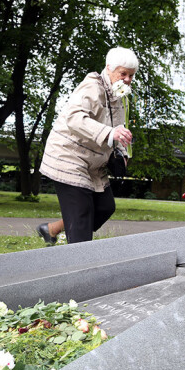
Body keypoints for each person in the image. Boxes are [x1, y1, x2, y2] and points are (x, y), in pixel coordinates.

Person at [38, 47, 136, 244]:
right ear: (109, 68)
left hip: (93, 160)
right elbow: (74, 119)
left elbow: (118, 128)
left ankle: (52, 229)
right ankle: (79, 267)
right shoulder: (92, 87)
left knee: (105, 207)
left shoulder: (118, 95)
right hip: (68, 156)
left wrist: (122, 152)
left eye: (131, 76)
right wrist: (109, 133)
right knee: (82, 215)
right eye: (123, 73)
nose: (127, 79)